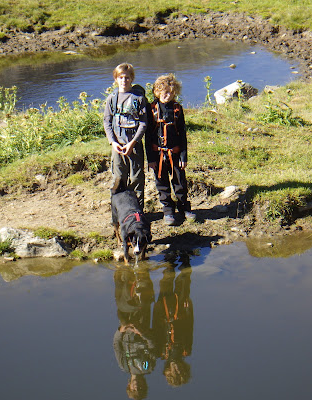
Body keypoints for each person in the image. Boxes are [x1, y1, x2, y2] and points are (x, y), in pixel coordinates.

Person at [145, 73, 195, 226]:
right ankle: (168, 210)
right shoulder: (151, 109)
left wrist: (183, 156)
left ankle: (183, 207)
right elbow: (147, 136)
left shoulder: (177, 109)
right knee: (162, 182)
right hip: (158, 154)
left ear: (175, 93)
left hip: (175, 152)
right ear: (157, 92)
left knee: (180, 181)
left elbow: (182, 134)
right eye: (164, 92)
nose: (167, 95)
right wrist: (151, 159)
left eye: (171, 93)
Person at [104, 63, 148, 208]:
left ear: (132, 78)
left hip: (134, 145)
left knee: (136, 178)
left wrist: (133, 142)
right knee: (119, 178)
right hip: (117, 146)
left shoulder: (139, 98)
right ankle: (117, 211)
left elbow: (143, 123)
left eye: (127, 78)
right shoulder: (112, 98)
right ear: (116, 79)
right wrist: (113, 142)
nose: (124, 81)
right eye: (121, 78)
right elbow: (107, 121)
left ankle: (138, 211)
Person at [112, 267, 156, 399]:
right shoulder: (148, 367)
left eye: (134, 389)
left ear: (129, 386)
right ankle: (143, 271)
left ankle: (122, 272)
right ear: (144, 385)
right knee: (141, 298)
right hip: (142, 325)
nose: (137, 387)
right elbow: (152, 346)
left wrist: (121, 330)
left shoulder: (124, 366)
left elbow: (116, 345)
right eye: (140, 389)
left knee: (121, 299)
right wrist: (141, 333)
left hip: (125, 327)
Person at [152, 253, 194, 387]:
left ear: (167, 370)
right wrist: (189, 308)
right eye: (179, 370)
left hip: (163, 313)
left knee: (165, 283)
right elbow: (190, 327)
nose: (176, 368)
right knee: (183, 283)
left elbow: (156, 329)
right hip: (181, 312)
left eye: (173, 371)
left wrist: (156, 309)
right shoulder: (186, 350)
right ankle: (185, 258)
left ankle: (169, 262)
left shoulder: (161, 353)